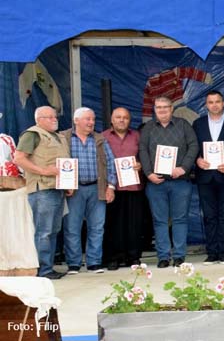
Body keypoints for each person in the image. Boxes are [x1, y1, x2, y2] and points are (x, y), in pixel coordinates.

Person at [139, 96, 199, 268]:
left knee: (180, 219)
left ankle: (179, 256)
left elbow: (194, 146)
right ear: (154, 110)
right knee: (160, 221)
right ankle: (163, 257)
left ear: (172, 108)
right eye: (158, 107)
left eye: (165, 107)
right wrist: (148, 173)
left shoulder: (183, 125)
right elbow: (142, 150)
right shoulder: (148, 128)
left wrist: (184, 168)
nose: (162, 110)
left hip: (180, 181)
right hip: (156, 182)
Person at [14, 106, 69, 279]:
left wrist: (68, 183)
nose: (54, 119)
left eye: (55, 116)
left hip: (57, 188)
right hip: (42, 189)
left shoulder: (58, 136)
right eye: (49, 117)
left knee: (52, 230)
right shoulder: (32, 134)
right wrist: (43, 171)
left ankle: (48, 267)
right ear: (39, 119)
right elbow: (19, 158)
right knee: (43, 232)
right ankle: (42, 270)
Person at [61, 107, 117, 274]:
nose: (91, 122)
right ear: (76, 120)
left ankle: (94, 262)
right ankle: (74, 263)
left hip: (97, 187)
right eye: (87, 119)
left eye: (93, 119)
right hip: (73, 189)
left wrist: (111, 186)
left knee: (97, 226)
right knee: (72, 226)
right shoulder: (63, 138)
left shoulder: (100, 139)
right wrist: (64, 184)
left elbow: (111, 163)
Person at [192, 90, 224, 265]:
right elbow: (192, 147)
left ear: (223, 103)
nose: (214, 105)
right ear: (206, 105)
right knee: (209, 216)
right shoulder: (198, 124)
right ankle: (212, 252)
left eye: (217, 101)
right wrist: (197, 160)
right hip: (205, 177)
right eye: (211, 102)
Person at [103, 107, 147, 270]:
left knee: (134, 224)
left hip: (134, 186)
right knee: (113, 224)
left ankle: (133, 257)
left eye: (125, 117)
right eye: (118, 117)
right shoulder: (103, 137)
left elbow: (145, 155)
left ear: (129, 120)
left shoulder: (137, 136)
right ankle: (113, 257)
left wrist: (141, 164)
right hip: (112, 187)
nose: (122, 120)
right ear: (112, 119)